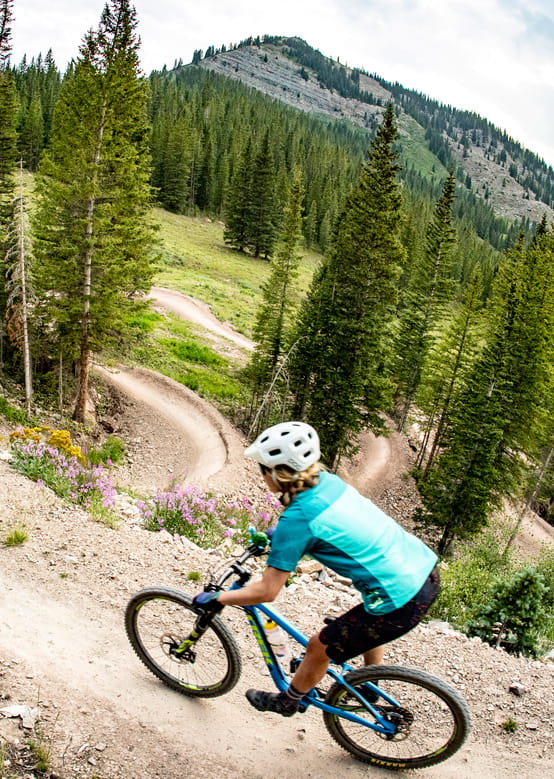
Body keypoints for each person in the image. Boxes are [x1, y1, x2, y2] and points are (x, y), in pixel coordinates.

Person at [193, 421, 439, 717]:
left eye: (262, 468)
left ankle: (288, 701)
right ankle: (369, 685)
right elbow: (330, 524)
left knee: (318, 646)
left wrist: (218, 599)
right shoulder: (327, 481)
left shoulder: (297, 519)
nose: (260, 476)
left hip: (400, 599)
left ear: (275, 473)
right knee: (365, 620)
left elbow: (268, 591)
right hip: (423, 572)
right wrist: (283, 538)